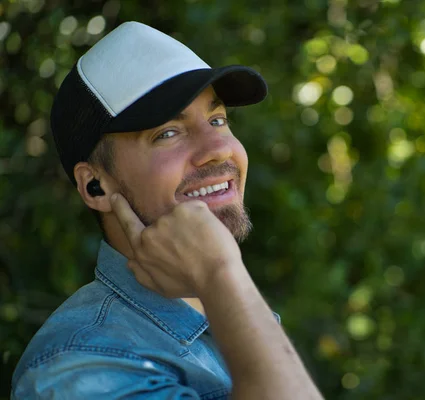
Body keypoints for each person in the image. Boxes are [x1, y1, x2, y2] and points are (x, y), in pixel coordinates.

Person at [11, 21, 323, 399]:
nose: (219, 149)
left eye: (217, 119)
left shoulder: (223, 316)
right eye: (167, 133)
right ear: (95, 185)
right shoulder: (81, 364)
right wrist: (220, 272)